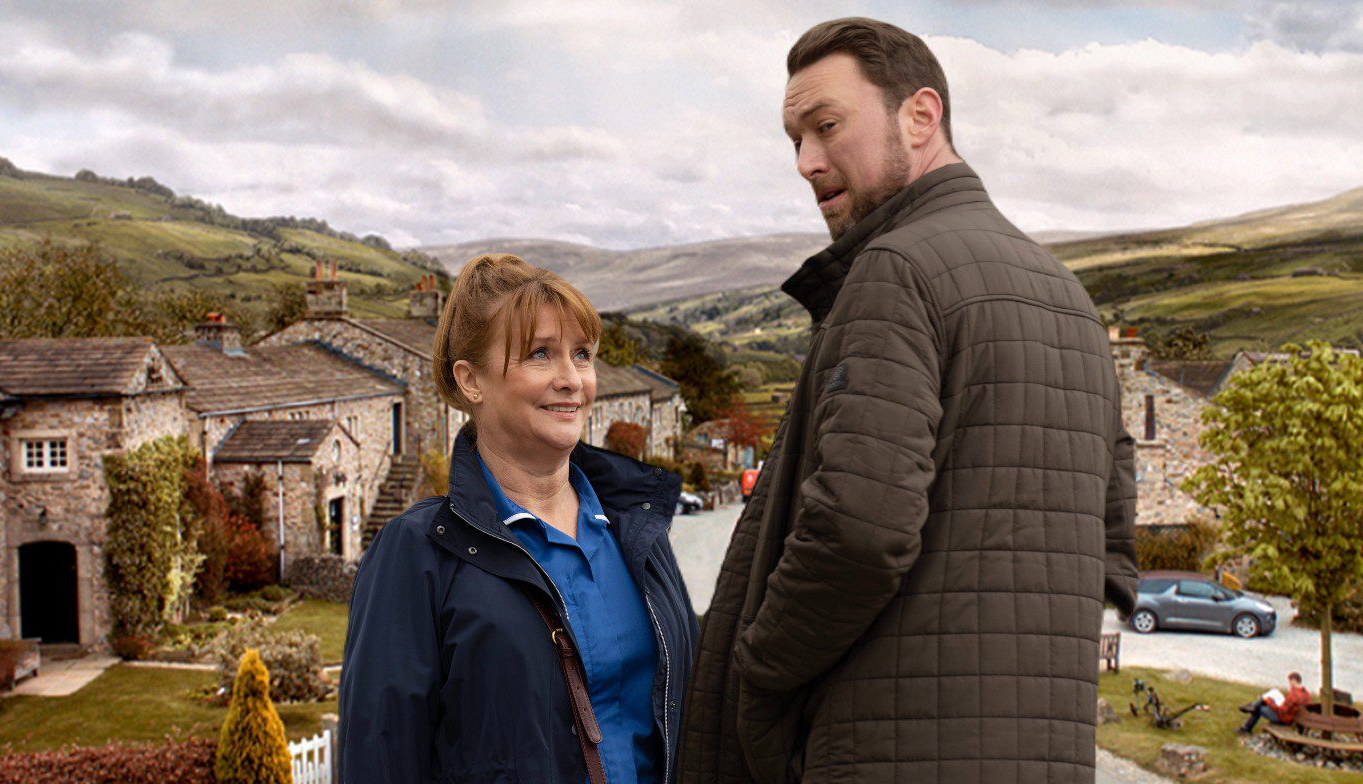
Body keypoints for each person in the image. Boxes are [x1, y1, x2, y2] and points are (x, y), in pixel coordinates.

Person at [678, 18, 1137, 784]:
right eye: (795, 140)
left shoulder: (897, 269)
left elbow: (858, 531)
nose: (806, 161)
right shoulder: (1069, 298)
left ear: (920, 116)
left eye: (826, 126)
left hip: (884, 751)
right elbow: (1113, 533)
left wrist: (755, 660)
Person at [339, 253, 699, 783]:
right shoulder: (419, 553)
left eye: (581, 354)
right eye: (540, 354)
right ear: (471, 380)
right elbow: (381, 761)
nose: (571, 379)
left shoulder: (636, 530)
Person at [1237, 672, 1310, 734]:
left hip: (1283, 719)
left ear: (1294, 681)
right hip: (1292, 716)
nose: (1290, 684)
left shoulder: (1294, 695)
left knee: (1259, 708)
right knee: (1272, 694)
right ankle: (1252, 706)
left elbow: (1281, 710)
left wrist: (1269, 702)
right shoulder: (1306, 694)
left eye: (1290, 682)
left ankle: (1246, 727)